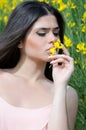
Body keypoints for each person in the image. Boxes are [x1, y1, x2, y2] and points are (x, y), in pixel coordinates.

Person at [0, 1, 78, 130]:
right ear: (19, 40)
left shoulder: (67, 94)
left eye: (56, 33)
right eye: (42, 33)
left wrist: (59, 86)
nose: (53, 39)